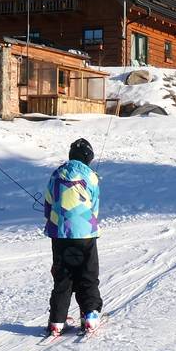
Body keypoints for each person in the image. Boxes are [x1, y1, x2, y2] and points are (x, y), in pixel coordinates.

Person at [43, 138, 102, 336]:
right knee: (87, 274)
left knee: (63, 276)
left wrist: (54, 221)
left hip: (59, 233)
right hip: (85, 233)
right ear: (88, 157)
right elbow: (94, 206)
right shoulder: (91, 176)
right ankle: (90, 315)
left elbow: (48, 203)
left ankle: (57, 321)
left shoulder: (56, 174)